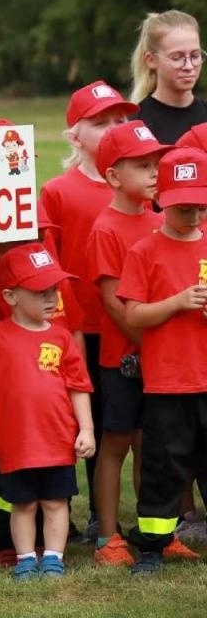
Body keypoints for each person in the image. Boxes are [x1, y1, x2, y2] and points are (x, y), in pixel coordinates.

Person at [0, 245, 95, 581]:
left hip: (57, 439)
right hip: (17, 443)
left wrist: (85, 429)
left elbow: (79, 386)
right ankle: (27, 558)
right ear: (10, 296)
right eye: (40, 291)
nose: (51, 298)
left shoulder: (61, 338)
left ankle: (55, 558)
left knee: (56, 502)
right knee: (24, 505)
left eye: (54, 290)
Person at [38, 80, 139, 541]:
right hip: (74, 332)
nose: (115, 129)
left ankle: (110, 518)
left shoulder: (139, 189)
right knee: (77, 422)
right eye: (102, 124)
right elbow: (48, 264)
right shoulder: (58, 191)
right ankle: (56, 512)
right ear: (75, 136)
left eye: (122, 120)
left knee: (123, 424)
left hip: (128, 328)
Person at [117, 145, 207, 574]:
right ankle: (152, 546)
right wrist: (177, 302)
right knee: (162, 466)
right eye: (183, 208)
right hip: (168, 383)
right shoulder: (144, 252)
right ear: (161, 201)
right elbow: (132, 314)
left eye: (200, 208)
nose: (192, 217)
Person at [86, 120, 167, 566]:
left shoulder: (162, 221)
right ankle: (108, 537)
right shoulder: (106, 228)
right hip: (124, 359)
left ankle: (154, 529)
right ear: (114, 176)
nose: (155, 172)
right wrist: (153, 345)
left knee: (149, 444)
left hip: (161, 357)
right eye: (143, 165)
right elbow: (115, 304)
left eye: (157, 163)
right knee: (116, 442)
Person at [130, 10, 207, 143]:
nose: (189, 66)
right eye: (177, 57)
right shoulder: (136, 125)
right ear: (151, 60)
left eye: (195, 56)